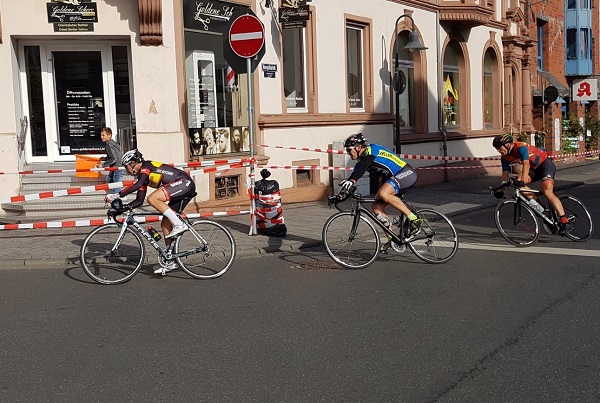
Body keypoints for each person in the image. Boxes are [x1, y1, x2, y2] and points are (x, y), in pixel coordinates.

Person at [105, 149, 196, 274]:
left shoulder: (146, 166)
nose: (127, 171)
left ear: (132, 163)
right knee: (165, 223)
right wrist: (120, 209)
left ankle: (179, 224)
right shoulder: (144, 177)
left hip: (183, 182)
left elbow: (138, 184)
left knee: (152, 198)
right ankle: (171, 260)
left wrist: (117, 195)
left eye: (126, 167)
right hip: (180, 187)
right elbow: (139, 201)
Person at [339, 133, 420, 252]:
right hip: (395, 179)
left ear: (358, 147)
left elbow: (363, 167)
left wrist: (352, 180)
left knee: (383, 193)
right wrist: (339, 196)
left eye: (349, 150)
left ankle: (414, 219)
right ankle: (392, 238)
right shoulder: (361, 161)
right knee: (376, 207)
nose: (348, 153)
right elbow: (354, 174)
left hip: (406, 173)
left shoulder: (372, 150)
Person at [492, 133, 572, 234]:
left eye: (499, 148)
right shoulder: (504, 158)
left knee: (547, 192)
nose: (499, 151)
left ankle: (565, 221)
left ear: (507, 145)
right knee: (519, 187)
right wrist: (501, 190)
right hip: (533, 170)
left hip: (544, 165)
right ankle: (541, 207)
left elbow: (526, 164)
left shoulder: (520, 148)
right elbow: (505, 174)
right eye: (497, 149)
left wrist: (522, 180)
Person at [96, 127, 123, 194]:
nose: (101, 137)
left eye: (103, 135)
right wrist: (105, 158)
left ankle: (117, 201)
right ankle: (110, 197)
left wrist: (102, 165)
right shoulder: (113, 143)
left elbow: (114, 158)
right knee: (109, 180)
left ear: (109, 135)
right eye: (101, 135)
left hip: (117, 167)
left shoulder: (109, 144)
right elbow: (114, 155)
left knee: (116, 187)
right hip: (116, 167)